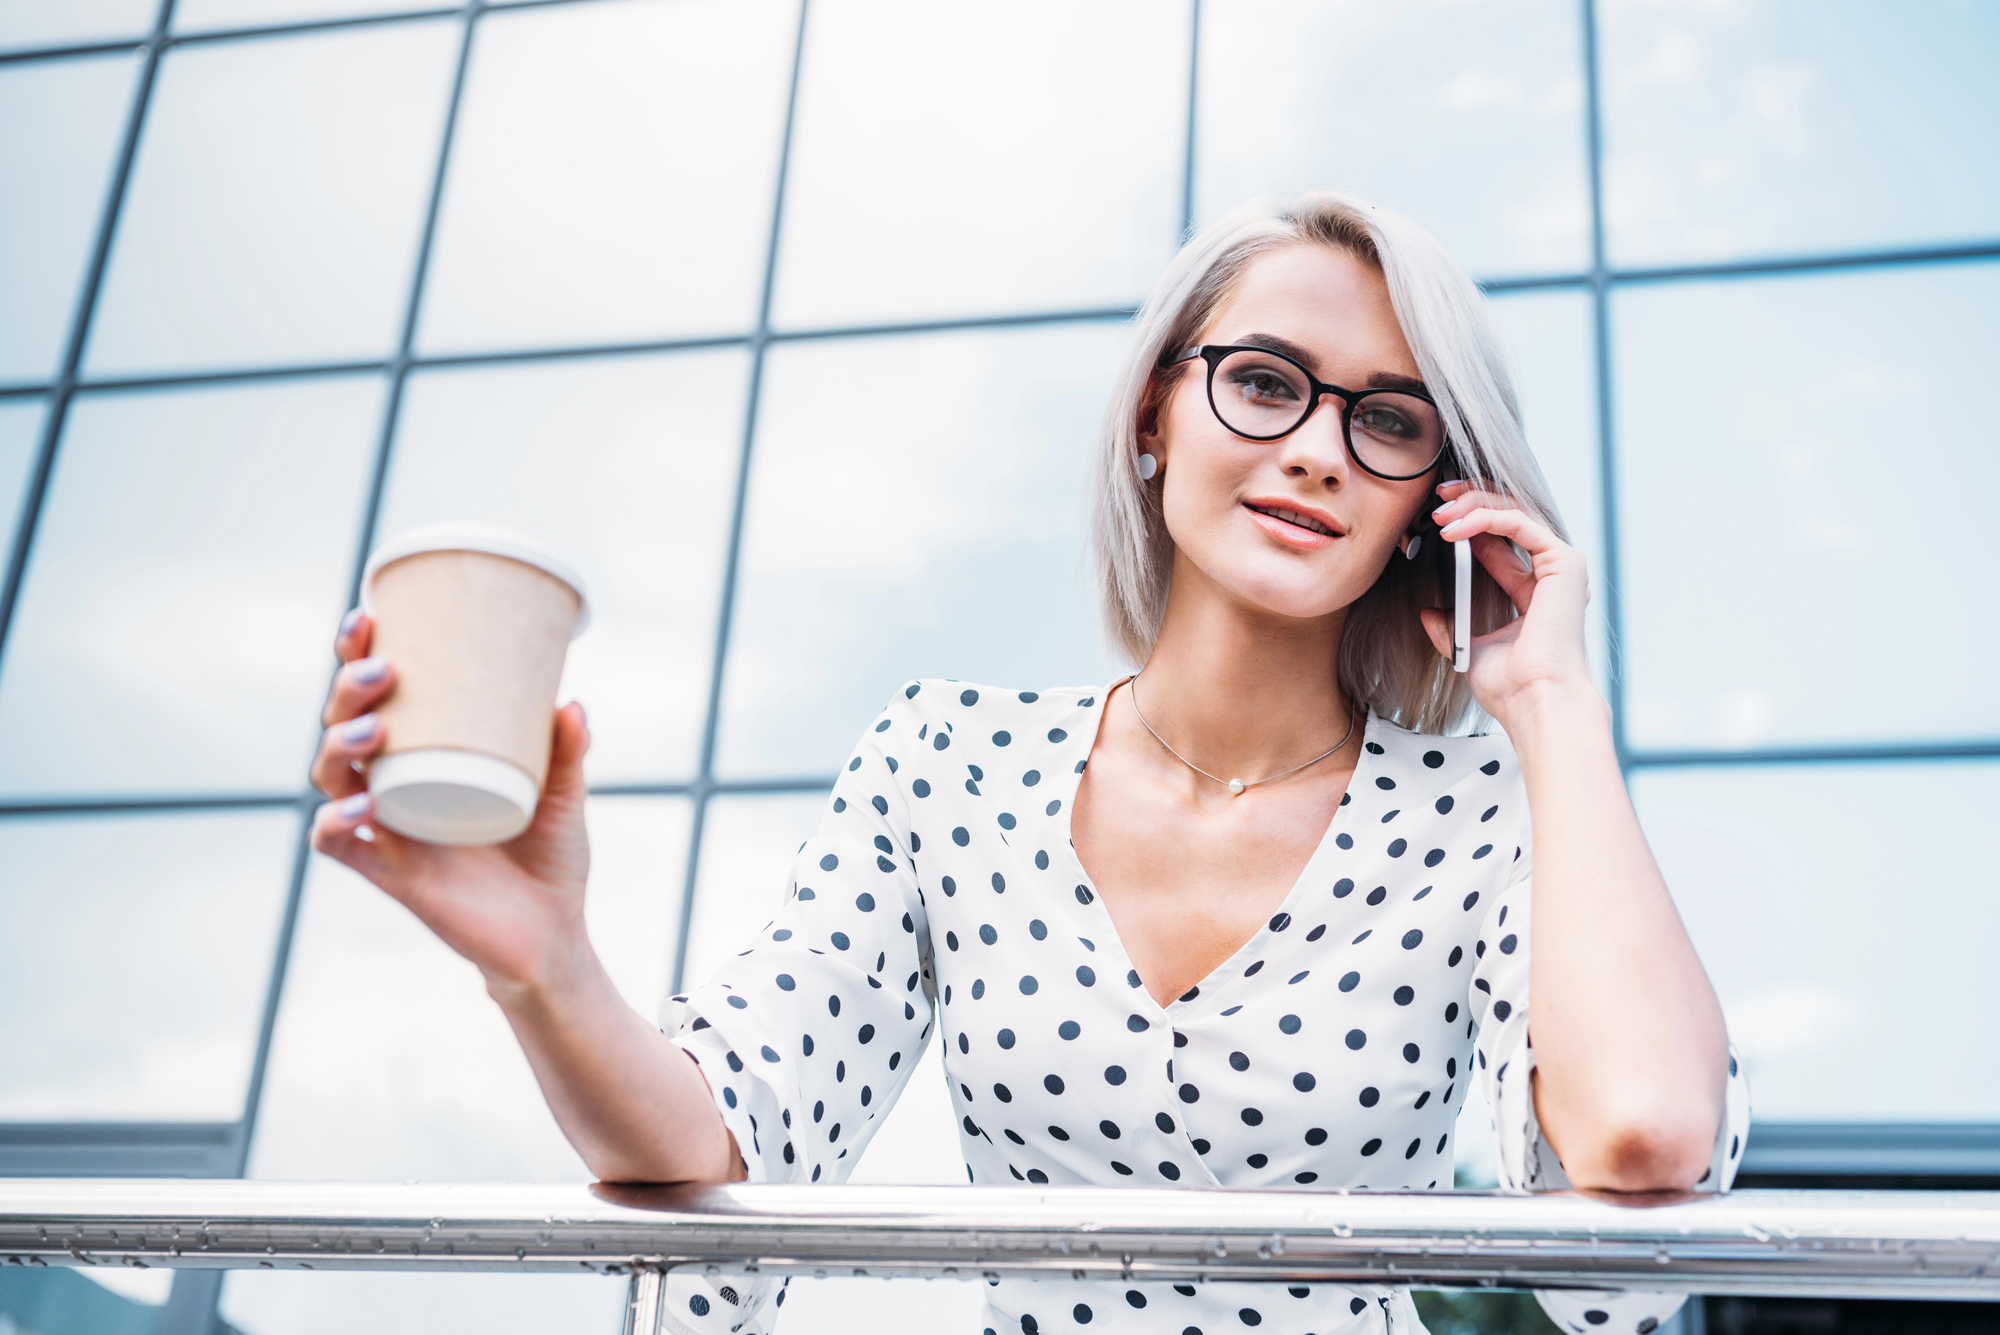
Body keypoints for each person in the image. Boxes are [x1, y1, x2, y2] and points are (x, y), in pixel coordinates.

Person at [311, 193, 1746, 1335]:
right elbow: (726, 1147)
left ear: (1430, 501)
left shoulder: (1485, 810)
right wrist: (544, 961)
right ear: (1152, 418)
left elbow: (1641, 1145)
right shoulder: (951, 761)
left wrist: (1550, 701)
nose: (1318, 450)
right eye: (1265, 383)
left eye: (1384, 419)